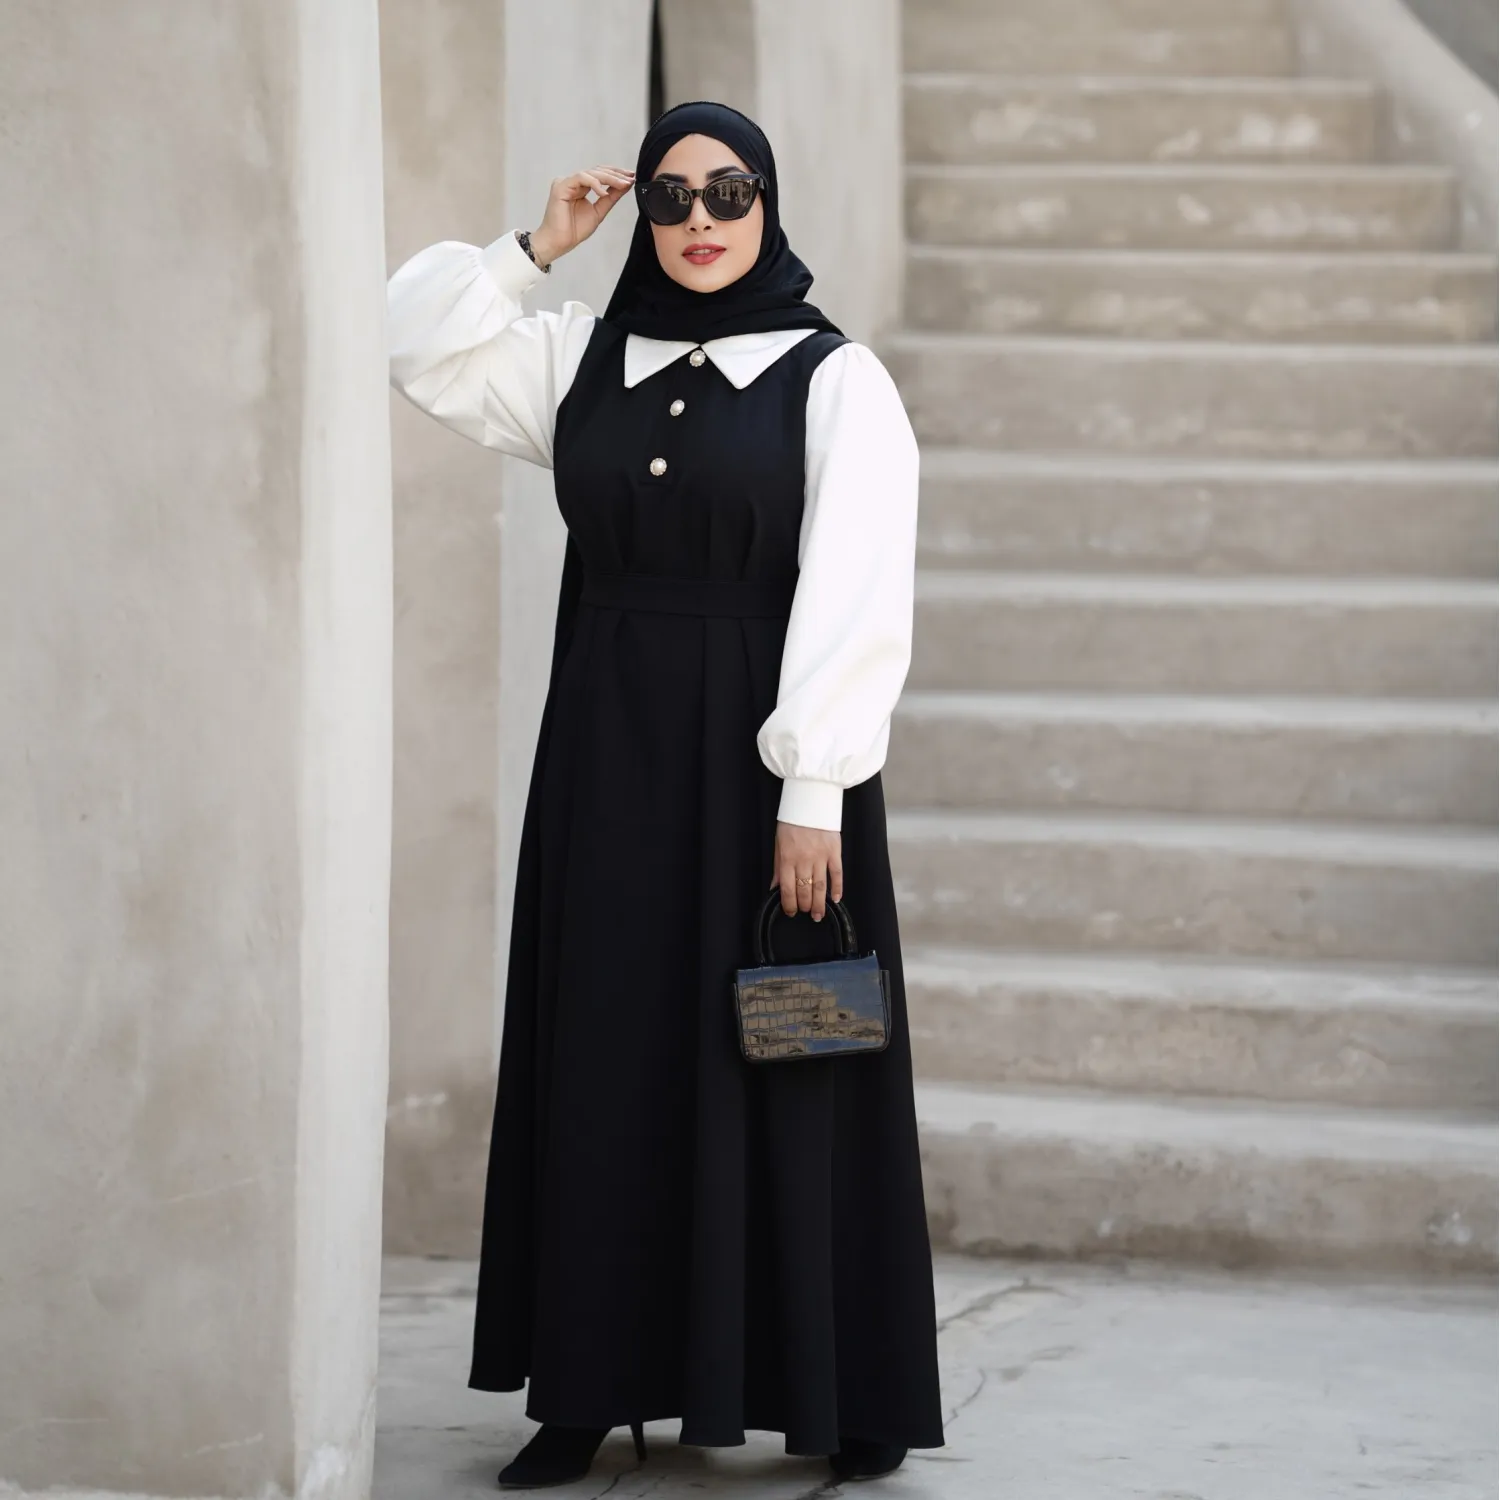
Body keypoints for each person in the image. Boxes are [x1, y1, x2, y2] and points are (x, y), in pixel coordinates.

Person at [387, 99, 944, 1490]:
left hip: (768, 766)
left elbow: (860, 587)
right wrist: (533, 250)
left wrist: (814, 788)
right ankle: (586, 1384)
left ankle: (841, 1386)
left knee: (794, 1048)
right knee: (606, 1052)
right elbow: (415, 343)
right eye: (672, 197)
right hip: (609, 758)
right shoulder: (586, 358)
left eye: (729, 193)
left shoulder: (834, 379)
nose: (701, 221)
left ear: (769, 204)